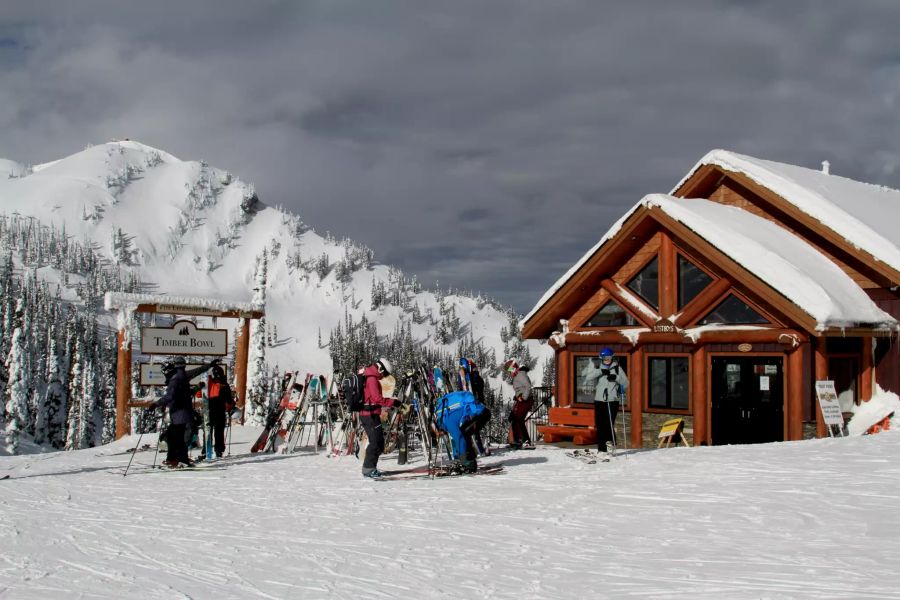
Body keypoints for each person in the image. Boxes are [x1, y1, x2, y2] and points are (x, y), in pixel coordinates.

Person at [149, 356, 218, 467]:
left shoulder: (175, 380)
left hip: (179, 414)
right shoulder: (183, 376)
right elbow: (197, 371)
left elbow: (169, 396)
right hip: (185, 413)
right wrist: (210, 365)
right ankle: (180, 459)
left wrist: (155, 404)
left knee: (173, 438)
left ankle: (175, 460)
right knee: (177, 437)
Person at [582, 347, 629, 454]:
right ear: (601, 358)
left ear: (612, 357)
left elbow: (626, 383)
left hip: (612, 400)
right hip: (599, 400)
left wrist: (615, 378)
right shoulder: (598, 366)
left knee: (608, 424)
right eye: (604, 357)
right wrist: (600, 372)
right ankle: (601, 448)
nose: (607, 359)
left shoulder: (617, 368)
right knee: (600, 425)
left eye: (608, 357)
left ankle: (611, 443)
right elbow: (588, 377)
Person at [360, 358, 401, 478]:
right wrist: (393, 402)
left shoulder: (370, 376)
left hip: (371, 414)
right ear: (380, 368)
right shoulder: (372, 379)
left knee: (379, 442)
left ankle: (371, 467)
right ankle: (368, 469)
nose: (384, 376)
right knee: (375, 443)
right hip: (370, 415)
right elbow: (377, 398)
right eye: (385, 373)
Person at [434, 390, 491, 473]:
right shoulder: (444, 415)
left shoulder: (446, 420)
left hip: (481, 414)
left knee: (463, 435)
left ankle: (468, 463)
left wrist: (462, 459)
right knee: (465, 432)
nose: (441, 435)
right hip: (481, 412)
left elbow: (459, 438)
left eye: (438, 434)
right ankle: (470, 461)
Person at [505, 358, 534, 449]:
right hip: (522, 400)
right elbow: (521, 388)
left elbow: (528, 386)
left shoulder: (520, 374)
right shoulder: (517, 375)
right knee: (516, 419)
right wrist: (517, 396)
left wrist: (523, 397)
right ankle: (520, 440)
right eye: (508, 370)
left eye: (510, 369)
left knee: (517, 419)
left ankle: (523, 440)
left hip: (526, 400)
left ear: (513, 368)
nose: (509, 372)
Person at [206, 365, 233, 458]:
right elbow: (229, 399)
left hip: (208, 410)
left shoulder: (208, 383)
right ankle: (218, 450)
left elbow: (199, 395)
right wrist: (231, 406)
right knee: (219, 431)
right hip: (219, 410)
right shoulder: (224, 384)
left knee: (209, 430)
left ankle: (206, 450)